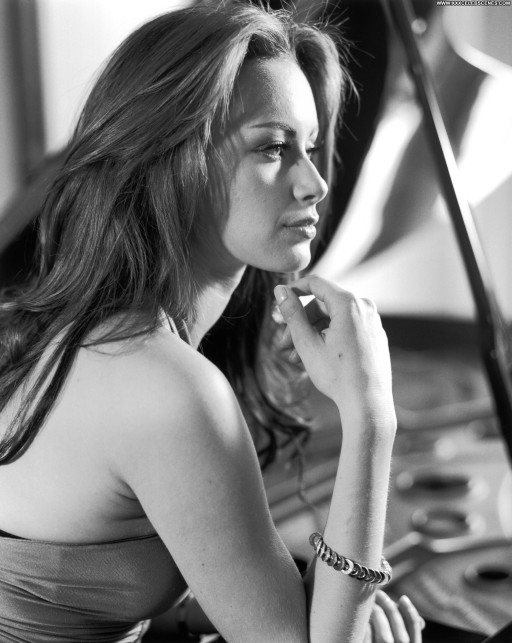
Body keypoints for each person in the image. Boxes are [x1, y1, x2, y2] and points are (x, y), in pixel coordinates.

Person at [0, 2, 424, 641]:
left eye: (310, 147)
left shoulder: (75, 332)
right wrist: (371, 415)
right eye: (274, 148)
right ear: (174, 160)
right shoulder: (163, 387)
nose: (315, 183)